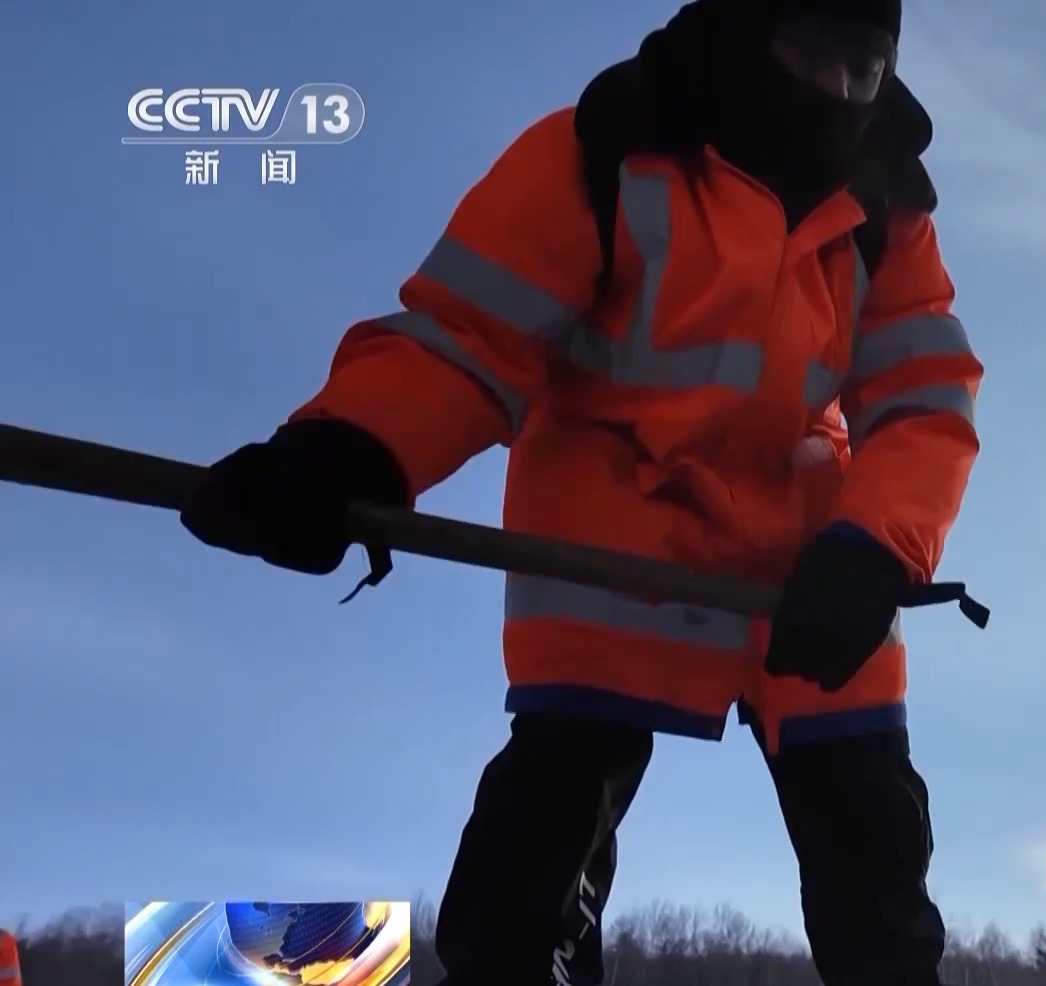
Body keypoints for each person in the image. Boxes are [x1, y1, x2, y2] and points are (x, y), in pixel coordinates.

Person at [179, 0, 984, 982]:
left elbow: (923, 400)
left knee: (873, 835)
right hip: (616, 535)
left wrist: (877, 546)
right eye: (815, 55)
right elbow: (468, 337)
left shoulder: (886, 209)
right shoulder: (607, 151)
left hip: (812, 554)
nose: (840, 92)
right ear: (746, 34)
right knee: (544, 831)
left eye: (866, 70)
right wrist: (348, 450)